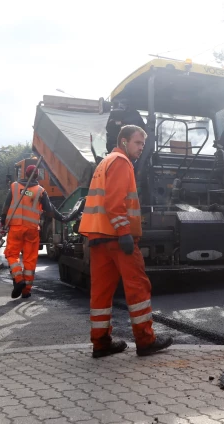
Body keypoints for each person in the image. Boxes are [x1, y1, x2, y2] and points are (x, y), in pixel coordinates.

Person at [78, 125, 173, 358]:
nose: (141, 148)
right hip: (117, 238)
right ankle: (145, 340)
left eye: (142, 144)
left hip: (99, 238)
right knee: (137, 286)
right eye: (138, 143)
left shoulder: (104, 162)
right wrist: (124, 232)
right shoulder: (121, 162)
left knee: (100, 293)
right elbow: (113, 203)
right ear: (123, 142)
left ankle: (100, 343)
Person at [1, 165, 68, 299]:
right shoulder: (40, 191)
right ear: (38, 176)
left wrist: (3, 223)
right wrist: (62, 218)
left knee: (11, 254)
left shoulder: (14, 187)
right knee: (30, 259)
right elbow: (50, 210)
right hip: (31, 229)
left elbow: (6, 207)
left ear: (25, 174)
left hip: (15, 227)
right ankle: (26, 291)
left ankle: (18, 279)